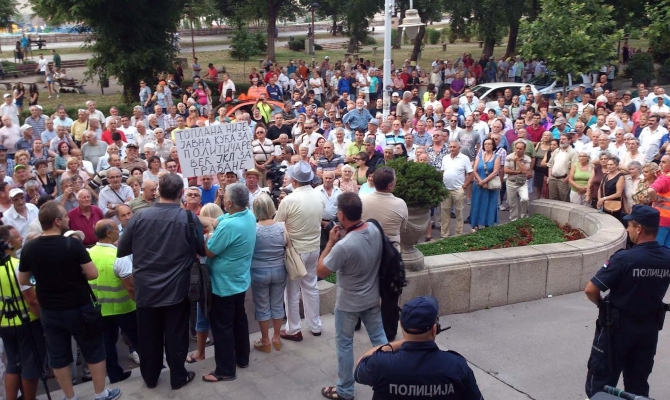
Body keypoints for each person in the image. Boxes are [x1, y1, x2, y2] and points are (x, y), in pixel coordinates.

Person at [18, 201, 121, 400]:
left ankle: (69, 396)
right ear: (57, 221)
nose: (68, 219)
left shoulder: (30, 247)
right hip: (79, 306)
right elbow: (92, 274)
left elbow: (23, 279)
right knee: (93, 349)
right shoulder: (72, 244)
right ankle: (100, 393)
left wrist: (42, 279)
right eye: (65, 216)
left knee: (59, 356)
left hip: (50, 309)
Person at [117, 173, 204, 390]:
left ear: (158, 192)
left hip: (146, 288)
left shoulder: (138, 217)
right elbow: (201, 249)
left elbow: (122, 249)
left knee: (148, 337)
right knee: (176, 335)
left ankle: (151, 377)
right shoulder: (188, 217)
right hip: (177, 289)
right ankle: (178, 376)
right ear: (181, 193)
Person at [584, 205, 670, 398]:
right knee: (637, 383)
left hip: (616, 330)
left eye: (629, 226)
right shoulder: (667, 257)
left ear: (639, 229)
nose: (627, 230)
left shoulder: (624, 258)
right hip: (648, 330)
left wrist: (601, 305)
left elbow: (591, 289)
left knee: (601, 384)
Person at [316, 192, 387, 400]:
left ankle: (345, 390)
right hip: (372, 297)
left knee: (345, 344)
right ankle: (391, 377)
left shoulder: (343, 246)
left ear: (341, 215)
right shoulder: (374, 228)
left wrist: (330, 243)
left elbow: (320, 271)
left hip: (348, 304)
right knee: (380, 339)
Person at [354, 295, 483, 399]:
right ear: (434, 329)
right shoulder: (457, 366)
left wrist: (401, 342)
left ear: (401, 325)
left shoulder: (381, 364)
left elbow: (359, 368)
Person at [203, 183, 256, 382]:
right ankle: (242, 357)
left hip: (223, 285)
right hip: (239, 280)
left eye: (225, 197)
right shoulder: (248, 215)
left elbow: (209, 251)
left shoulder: (229, 226)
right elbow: (218, 220)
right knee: (239, 319)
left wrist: (209, 235)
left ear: (230, 202)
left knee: (222, 326)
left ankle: (225, 370)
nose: (223, 200)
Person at [274, 161, 324, 341]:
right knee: (311, 286)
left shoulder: (289, 200)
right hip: (313, 248)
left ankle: (294, 329)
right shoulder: (318, 195)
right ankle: (315, 325)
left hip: (296, 252)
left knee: (292, 292)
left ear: (294, 181)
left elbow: (277, 225)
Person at [88, 219, 138, 384]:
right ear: (109, 233)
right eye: (117, 229)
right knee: (139, 339)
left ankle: (115, 375)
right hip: (124, 307)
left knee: (107, 344)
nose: (119, 231)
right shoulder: (118, 255)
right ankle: (152, 368)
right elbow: (130, 287)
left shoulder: (89, 254)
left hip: (100, 308)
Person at [0, 225, 45, 400]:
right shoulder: (18, 266)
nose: (21, 238)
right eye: (17, 236)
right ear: (8, 243)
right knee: (30, 366)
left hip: (4, 322)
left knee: (13, 364)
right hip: (27, 321)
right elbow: (32, 299)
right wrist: (43, 319)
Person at [249, 194, 287, 353]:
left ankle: (265, 340)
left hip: (258, 271)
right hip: (279, 269)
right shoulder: (281, 227)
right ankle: (277, 338)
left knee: (262, 306)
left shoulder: (253, 229)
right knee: (277, 304)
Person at [440, 141, 473, 238]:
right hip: (445, 189)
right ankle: (444, 235)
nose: (452, 149)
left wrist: (464, 186)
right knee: (444, 213)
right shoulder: (445, 158)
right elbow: (442, 172)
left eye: (454, 147)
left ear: (459, 148)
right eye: (450, 147)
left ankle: (458, 235)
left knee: (459, 213)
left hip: (458, 189)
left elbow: (471, 174)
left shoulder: (464, 158)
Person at [470, 138, 500, 230]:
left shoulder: (497, 157)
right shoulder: (479, 156)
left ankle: (488, 224)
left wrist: (484, 181)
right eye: (485, 144)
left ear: (493, 145)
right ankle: (475, 224)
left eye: (489, 144)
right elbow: (474, 170)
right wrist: (480, 181)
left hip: (490, 184)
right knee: (476, 204)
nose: (487, 145)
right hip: (478, 184)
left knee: (489, 204)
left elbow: (495, 172)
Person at [504, 141, 531, 221]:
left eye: (520, 149)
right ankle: (514, 219)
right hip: (511, 182)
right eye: (517, 148)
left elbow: (525, 170)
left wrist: (517, 161)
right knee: (512, 203)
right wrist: (519, 171)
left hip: (522, 183)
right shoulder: (509, 157)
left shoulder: (527, 158)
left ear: (524, 150)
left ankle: (523, 216)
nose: (518, 150)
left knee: (525, 199)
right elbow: (506, 170)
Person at [547, 133, 577, 202]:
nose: (561, 140)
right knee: (552, 200)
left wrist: (567, 179)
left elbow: (574, 168)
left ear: (569, 141)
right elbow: (550, 164)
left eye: (563, 139)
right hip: (553, 179)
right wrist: (550, 176)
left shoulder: (573, 152)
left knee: (564, 201)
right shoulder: (557, 150)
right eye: (560, 139)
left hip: (563, 180)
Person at [597, 156, 625, 223]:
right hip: (603, 203)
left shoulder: (620, 177)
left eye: (611, 164)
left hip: (613, 205)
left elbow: (618, 194)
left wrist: (604, 198)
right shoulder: (606, 175)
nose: (609, 166)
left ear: (617, 166)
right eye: (608, 164)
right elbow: (600, 188)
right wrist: (599, 200)